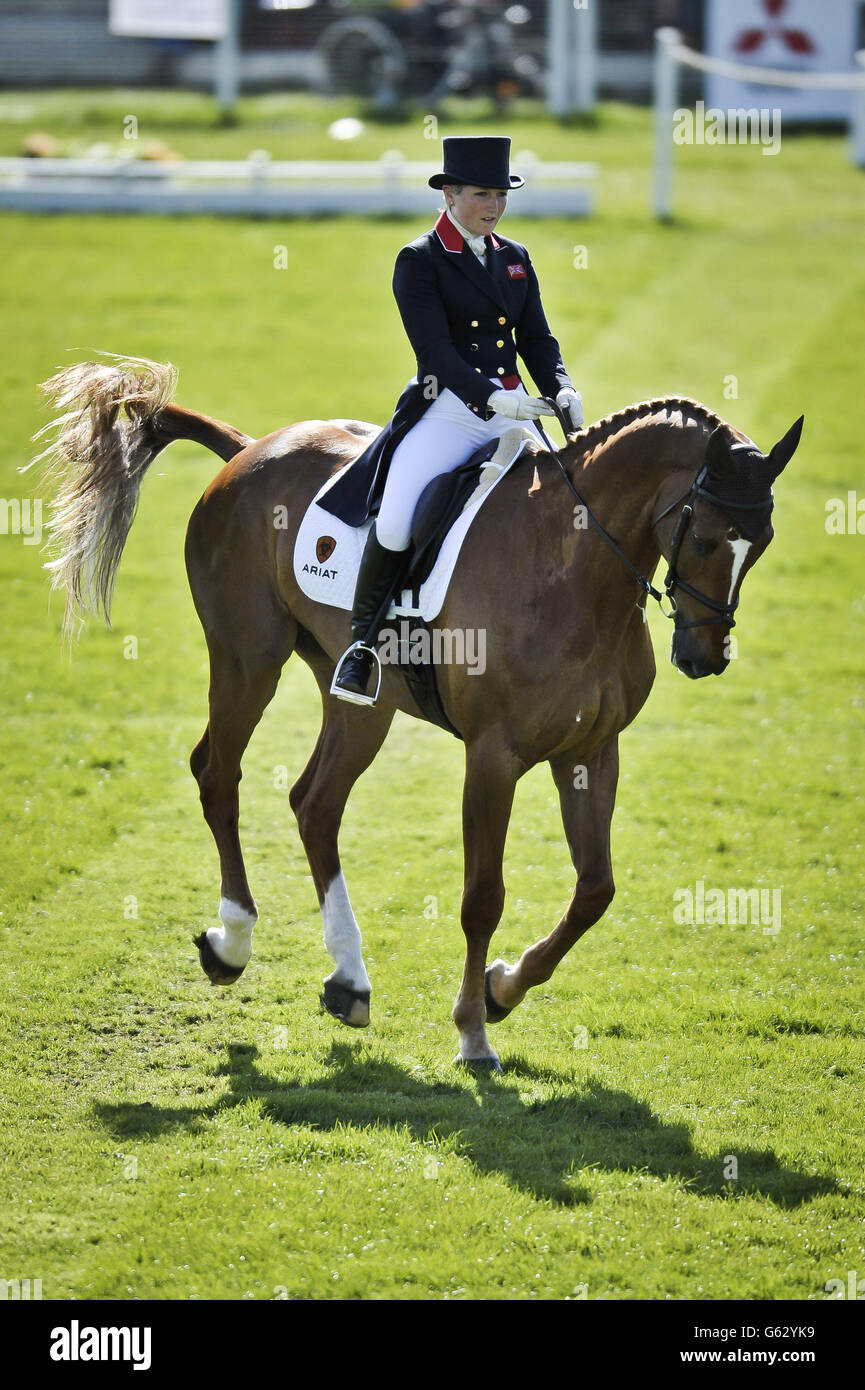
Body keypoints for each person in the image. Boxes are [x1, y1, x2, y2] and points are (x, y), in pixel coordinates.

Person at [322, 134, 583, 704]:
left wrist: (560, 387)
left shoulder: (514, 257)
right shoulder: (419, 261)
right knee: (393, 522)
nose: (494, 205)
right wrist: (492, 398)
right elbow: (435, 353)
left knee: (571, 500)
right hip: (449, 410)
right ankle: (361, 649)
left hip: (514, 409)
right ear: (450, 194)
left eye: (501, 195)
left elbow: (537, 339)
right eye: (483, 194)